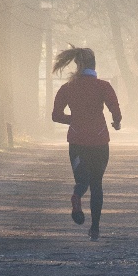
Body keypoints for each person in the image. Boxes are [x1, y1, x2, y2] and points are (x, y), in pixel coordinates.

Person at [51, 47, 121, 240]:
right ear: (93, 65)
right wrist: (116, 122)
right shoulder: (103, 86)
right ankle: (95, 229)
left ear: (77, 65)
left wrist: (73, 120)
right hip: (99, 141)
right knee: (97, 184)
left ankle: (76, 196)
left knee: (82, 181)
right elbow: (115, 109)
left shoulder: (67, 88)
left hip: (77, 141)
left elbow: (56, 115)